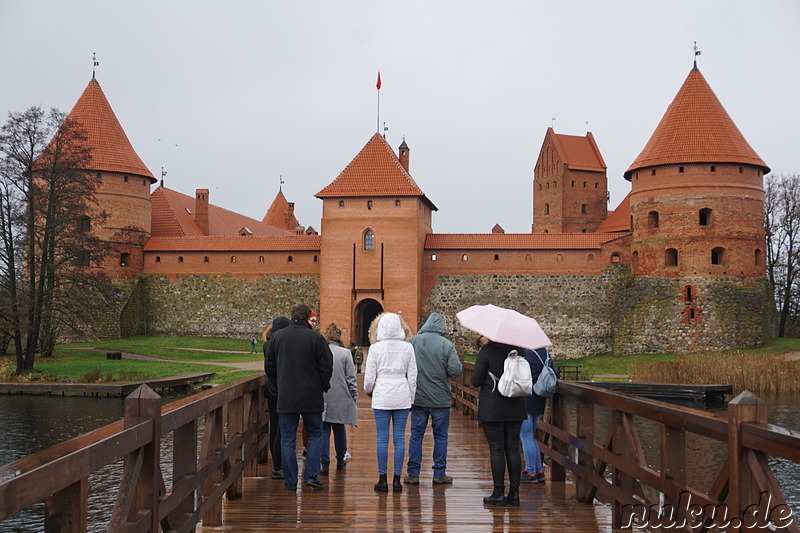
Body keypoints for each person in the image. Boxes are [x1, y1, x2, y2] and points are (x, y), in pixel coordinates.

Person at [265, 304, 333, 491]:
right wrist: (322, 385)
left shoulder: (277, 337)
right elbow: (326, 365)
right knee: (315, 434)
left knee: (287, 438)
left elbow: (269, 366)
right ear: (306, 318)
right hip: (311, 395)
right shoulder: (316, 338)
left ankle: (290, 480)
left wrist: (279, 385)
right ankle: (311, 475)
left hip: (286, 396)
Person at [405, 312, 462, 485]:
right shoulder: (447, 345)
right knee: (441, 436)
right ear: (441, 328)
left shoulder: (414, 342)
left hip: (419, 398)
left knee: (416, 435)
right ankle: (439, 473)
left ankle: (413, 474)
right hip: (440, 399)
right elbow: (455, 370)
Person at [364, 313, 417, 493]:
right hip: (401, 393)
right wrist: (411, 397)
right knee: (400, 439)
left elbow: (370, 377)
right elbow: (413, 376)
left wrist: (368, 389)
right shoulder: (408, 348)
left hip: (382, 395)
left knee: (382, 438)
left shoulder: (375, 348)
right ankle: (397, 480)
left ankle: (382, 479)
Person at [470, 337, 527, 507]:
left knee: (496, 449)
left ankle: (498, 493)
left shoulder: (487, 351)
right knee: (513, 448)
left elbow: (475, 380)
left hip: (493, 406)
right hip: (516, 404)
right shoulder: (520, 351)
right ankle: (514, 493)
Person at [320, 322, 359, 475]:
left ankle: (324, 460)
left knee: (323, 429)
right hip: (341, 396)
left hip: (323, 395)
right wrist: (354, 396)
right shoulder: (345, 353)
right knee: (339, 428)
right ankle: (340, 457)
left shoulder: (320, 351)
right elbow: (351, 378)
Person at [520, 347, 558, 484]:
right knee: (531, 436)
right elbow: (555, 373)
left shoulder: (523, 353)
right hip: (539, 399)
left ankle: (531, 472)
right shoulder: (544, 353)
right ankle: (538, 471)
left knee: (526, 437)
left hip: (524, 398)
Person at [263, 317, 290, 479]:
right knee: (283, 428)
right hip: (283, 390)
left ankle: (276, 464)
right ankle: (279, 464)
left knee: (274, 427)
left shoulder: (267, 344)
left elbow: (269, 368)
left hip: (271, 389)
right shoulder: (281, 344)